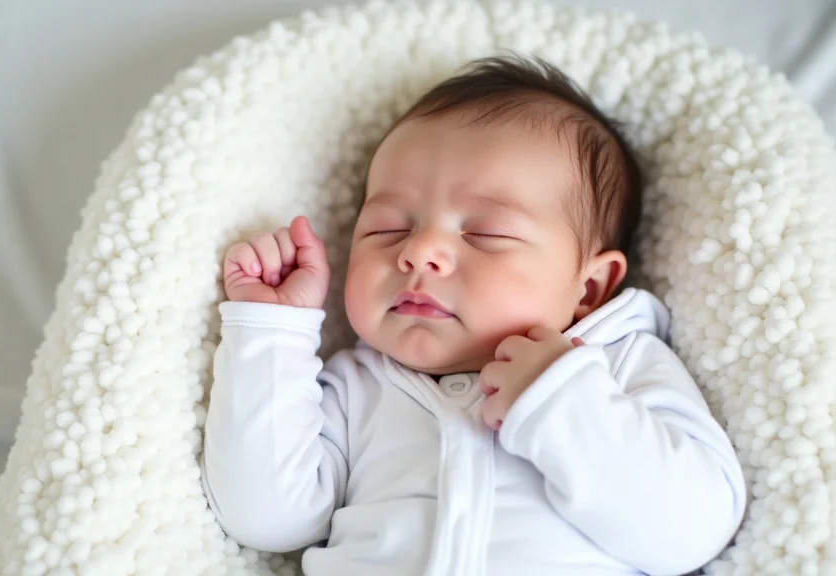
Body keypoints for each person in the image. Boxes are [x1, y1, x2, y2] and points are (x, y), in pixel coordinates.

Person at [201, 55, 746, 575]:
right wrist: (271, 334)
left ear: (588, 289)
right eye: (387, 228)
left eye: (485, 234)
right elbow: (267, 519)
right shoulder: (354, 387)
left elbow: (690, 533)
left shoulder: (620, 365)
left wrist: (563, 402)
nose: (418, 251)